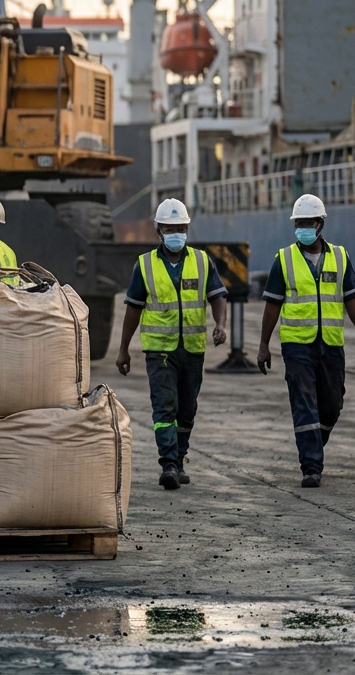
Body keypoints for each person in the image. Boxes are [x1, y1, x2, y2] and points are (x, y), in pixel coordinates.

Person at [115, 198, 228, 490]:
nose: (176, 233)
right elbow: (133, 309)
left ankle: (179, 458)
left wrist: (220, 324)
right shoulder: (145, 265)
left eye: (180, 228)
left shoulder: (203, 261)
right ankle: (167, 464)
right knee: (165, 408)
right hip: (160, 352)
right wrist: (123, 348)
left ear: (187, 229)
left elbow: (217, 296)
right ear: (159, 231)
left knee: (187, 409)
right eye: (170, 228)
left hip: (192, 349)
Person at [256, 194, 355, 488]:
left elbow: (351, 295)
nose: (302, 228)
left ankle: (314, 443)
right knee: (304, 403)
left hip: (330, 344)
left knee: (332, 405)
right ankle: (311, 467)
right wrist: (264, 345)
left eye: (307, 223)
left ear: (320, 224)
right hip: (297, 345)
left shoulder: (340, 256)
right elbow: (272, 306)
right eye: (298, 223)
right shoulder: (284, 259)